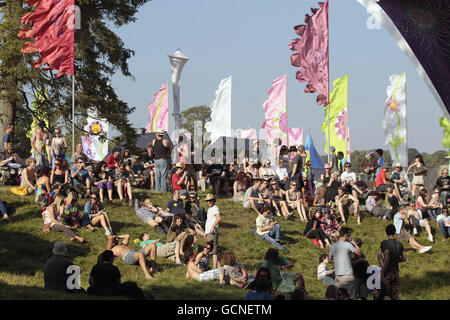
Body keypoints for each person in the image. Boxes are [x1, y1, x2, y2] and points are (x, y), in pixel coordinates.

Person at [329, 227, 362, 300]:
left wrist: (338, 260)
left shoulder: (333, 246)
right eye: (349, 235)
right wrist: (354, 243)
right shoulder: (348, 244)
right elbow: (359, 253)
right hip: (348, 275)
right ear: (345, 235)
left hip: (338, 276)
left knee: (338, 297)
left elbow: (329, 260)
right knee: (351, 296)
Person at [378, 224, 406, 300]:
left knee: (386, 294)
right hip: (396, 271)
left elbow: (386, 257)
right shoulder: (400, 244)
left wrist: (382, 272)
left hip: (387, 272)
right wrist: (396, 259)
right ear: (394, 232)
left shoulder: (384, 243)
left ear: (386, 232)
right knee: (395, 294)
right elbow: (404, 258)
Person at [204, 193, 221, 268]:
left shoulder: (215, 208)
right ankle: (218, 267)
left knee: (213, 250)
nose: (209, 202)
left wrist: (212, 227)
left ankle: (214, 267)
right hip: (209, 232)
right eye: (208, 201)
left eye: (210, 200)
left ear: (214, 201)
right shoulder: (210, 209)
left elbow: (219, 218)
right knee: (211, 249)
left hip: (213, 232)